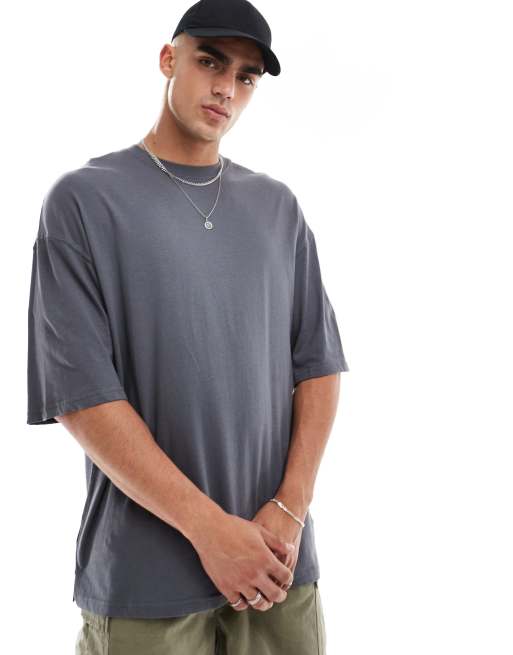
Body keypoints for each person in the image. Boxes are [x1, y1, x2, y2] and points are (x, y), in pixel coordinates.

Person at [26, 0, 349, 652]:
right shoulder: (85, 201)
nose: (226, 87)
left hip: (277, 566)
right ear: (168, 59)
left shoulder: (277, 208)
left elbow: (317, 366)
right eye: (210, 62)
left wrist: (288, 511)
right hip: (147, 577)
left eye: (246, 76)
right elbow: (82, 397)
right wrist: (210, 530)